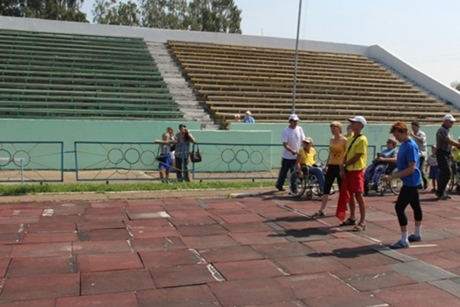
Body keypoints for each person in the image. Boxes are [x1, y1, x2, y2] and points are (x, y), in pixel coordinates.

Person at [383, 121, 423, 249]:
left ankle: (404, 240)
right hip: (411, 181)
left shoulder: (410, 146)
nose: (396, 139)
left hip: (411, 181)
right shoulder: (404, 145)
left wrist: (392, 177)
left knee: (399, 208)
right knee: (415, 205)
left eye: (398, 136)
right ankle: (417, 234)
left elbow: (411, 168)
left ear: (404, 133)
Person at [336, 116, 368, 232]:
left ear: (360, 125)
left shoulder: (362, 139)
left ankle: (362, 221)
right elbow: (347, 154)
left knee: (359, 195)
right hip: (350, 170)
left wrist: (345, 165)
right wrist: (343, 166)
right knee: (350, 195)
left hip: (357, 170)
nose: (351, 124)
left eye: (354, 122)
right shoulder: (350, 138)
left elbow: (358, 156)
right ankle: (352, 217)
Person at [314, 121, 347, 217]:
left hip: (339, 166)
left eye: (334, 128)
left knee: (342, 188)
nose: (332, 130)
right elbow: (330, 153)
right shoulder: (331, 140)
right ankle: (322, 209)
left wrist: (343, 166)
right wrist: (327, 165)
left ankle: (342, 208)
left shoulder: (344, 140)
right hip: (332, 165)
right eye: (331, 128)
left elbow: (346, 154)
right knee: (326, 187)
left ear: (339, 129)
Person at [275, 114, 305, 192]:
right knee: (283, 172)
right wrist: (292, 151)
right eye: (294, 121)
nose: (296, 123)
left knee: (294, 173)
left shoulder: (300, 129)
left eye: (297, 121)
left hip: (296, 157)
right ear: (290, 121)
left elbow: (303, 140)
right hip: (287, 156)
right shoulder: (285, 130)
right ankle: (279, 185)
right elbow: (285, 144)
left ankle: (294, 189)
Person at [435, 114, 460, 200]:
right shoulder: (442, 130)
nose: (452, 123)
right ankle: (440, 192)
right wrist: (458, 145)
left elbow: (450, 143)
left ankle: (441, 192)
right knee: (446, 172)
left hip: (446, 153)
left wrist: (452, 153)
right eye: (451, 122)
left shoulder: (447, 130)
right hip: (442, 153)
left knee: (445, 173)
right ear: (445, 121)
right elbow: (448, 141)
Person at [410, 121, 428, 189]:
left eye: (414, 127)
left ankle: (424, 180)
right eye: (412, 127)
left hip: (421, 154)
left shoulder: (421, 133)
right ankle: (419, 183)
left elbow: (421, 140)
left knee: (420, 169)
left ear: (417, 127)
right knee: (415, 169)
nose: (413, 129)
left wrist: (413, 135)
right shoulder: (412, 134)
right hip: (415, 153)